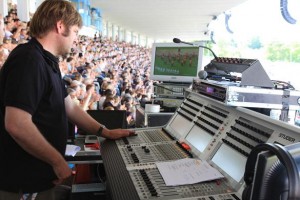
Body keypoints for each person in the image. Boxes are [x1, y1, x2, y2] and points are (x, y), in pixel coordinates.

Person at [0, 1, 134, 200]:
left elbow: (69, 106)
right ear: (60, 26)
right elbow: (17, 124)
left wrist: (104, 131)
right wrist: (57, 161)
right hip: (21, 183)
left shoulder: (47, 62)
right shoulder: (29, 60)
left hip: (38, 177)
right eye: (76, 32)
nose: (77, 39)